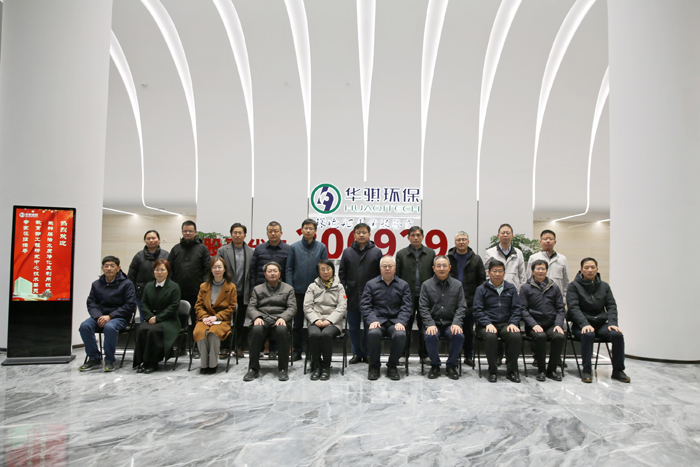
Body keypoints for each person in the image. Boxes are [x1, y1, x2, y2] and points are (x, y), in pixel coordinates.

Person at [567, 257, 630, 384]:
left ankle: (618, 370)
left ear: (597, 269)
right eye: (586, 267)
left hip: (601, 323)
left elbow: (611, 305)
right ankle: (586, 371)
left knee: (617, 335)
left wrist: (612, 323)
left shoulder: (604, 286)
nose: (589, 270)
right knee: (588, 334)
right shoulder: (574, 286)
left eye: (592, 267)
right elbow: (573, 308)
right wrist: (584, 324)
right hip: (581, 324)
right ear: (581, 270)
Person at [78, 256, 136, 372]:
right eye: (106, 266)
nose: (109, 268)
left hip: (119, 317)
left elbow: (129, 305)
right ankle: (94, 358)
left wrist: (110, 316)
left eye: (112, 266)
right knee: (84, 326)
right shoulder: (96, 284)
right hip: (99, 316)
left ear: (118, 268)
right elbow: (91, 303)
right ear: (102, 268)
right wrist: (98, 316)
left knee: (109, 327)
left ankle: (109, 360)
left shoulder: (127, 284)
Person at [361, 256, 412, 381]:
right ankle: (374, 366)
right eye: (384, 266)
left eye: (390, 266)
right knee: (373, 333)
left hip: (395, 321)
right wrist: (372, 320)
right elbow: (365, 305)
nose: (387, 268)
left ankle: (392, 365)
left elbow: (407, 307)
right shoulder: (371, 284)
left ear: (395, 268)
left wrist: (401, 321)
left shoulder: (403, 285)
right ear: (380, 268)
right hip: (377, 320)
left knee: (400, 334)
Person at [244, 262, 297, 382]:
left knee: (282, 330)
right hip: (262, 319)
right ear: (265, 274)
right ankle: (253, 368)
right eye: (269, 271)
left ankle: (283, 368)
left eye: (275, 271)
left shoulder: (288, 289)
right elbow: (251, 307)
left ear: (279, 273)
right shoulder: (257, 289)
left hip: (279, 319)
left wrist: (283, 318)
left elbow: (292, 308)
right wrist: (257, 317)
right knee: (256, 330)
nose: (272, 273)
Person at [339, 222, 383, 364]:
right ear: (354, 235)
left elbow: (380, 274)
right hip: (352, 295)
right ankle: (356, 353)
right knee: (353, 327)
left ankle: (368, 353)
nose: (361, 235)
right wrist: (345, 290)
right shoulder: (347, 252)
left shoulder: (376, 252)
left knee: (370, 326)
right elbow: (342, 274)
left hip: (372, 296)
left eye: (364, 232)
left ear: (369, 235)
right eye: (358, 232)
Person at [473, 260, 522, 383]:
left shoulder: (511, 288)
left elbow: (517, 309)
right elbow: (477, 310)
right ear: (489, 273)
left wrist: (513, 323)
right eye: (494, 271)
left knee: (515, 336)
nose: (497, 274)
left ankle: (512, 371)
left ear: (504, 273)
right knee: (490, 336)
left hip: (506, 324)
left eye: (500, 271)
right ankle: (492, 371)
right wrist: (487, 323)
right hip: (486, 324)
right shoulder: (481, 289)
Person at [286, 219, 328, 361]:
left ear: (315, 231)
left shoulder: (321, 247)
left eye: (311, 228)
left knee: (314, 323)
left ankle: (312, 351)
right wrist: (290, 288)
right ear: (302, 230)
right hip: (297, 291)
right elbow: (289, 268)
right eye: (305, 228)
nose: (308, 230)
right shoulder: (294, 247)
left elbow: (325, 269)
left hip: (316, 292)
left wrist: (322, 287)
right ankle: (297, 351)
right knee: (297, 324)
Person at [419, 256, 467, 380]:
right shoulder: (426, 285)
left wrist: (457, 323)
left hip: (450, 323)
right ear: (433, 268)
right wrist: (430, 324)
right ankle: (435, 365)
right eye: (438, 266)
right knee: (430, 335)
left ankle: (451, 365)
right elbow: (423, 308)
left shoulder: (457, 285)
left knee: (459, 335)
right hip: (433, 322)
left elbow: (462, 307)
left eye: (444, 265)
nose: (442, 268)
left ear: (449, 268)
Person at [519, 259, 566, 382]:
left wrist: (558, 324)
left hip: (551, 324)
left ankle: (552, 370)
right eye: (538, 269)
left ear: (546, 271)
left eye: (543, 269)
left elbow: (560, 309)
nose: (540, 271)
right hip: (533, 325)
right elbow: (523, 309)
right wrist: (533, 324)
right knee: (540, 336)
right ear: (532, 271)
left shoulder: (554, 287)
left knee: (559, 336)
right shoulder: (525, 288)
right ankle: (541, 370)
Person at [132, 259, 181, 373]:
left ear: (168, 272)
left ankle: (152, 362)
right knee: (143, 329)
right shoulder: (149, 286)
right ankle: (142, 361)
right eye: (157, 269)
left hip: (168, 320)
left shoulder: (174, 286)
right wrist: (150, 317)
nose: (159, 272)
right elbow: (144, 303)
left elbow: (174, 306)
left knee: (153, 331)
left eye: (162, 270)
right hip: (151, 318)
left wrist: (158, 318)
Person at [168, 220, 211, 348]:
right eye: (185, 231)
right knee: (179, 321)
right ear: (182, 232)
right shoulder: (176, 249)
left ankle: (196, 348)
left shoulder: (202, 249)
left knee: (198, 320)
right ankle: (180, 348)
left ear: (195, 232)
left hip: (197, 292)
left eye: (190, 231)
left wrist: (203, 287)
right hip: (178, 292)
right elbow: (169, 269)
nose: (187, 233)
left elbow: (207, 269)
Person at [395, 226, 435, 363]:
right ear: (408, 238)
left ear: (422, 237)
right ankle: (403, 354)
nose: (415, 238)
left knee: (425, 325)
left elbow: (434, 276)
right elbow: (397, 277)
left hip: (425, 296)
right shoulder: (401, 254)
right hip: (407, 296)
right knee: (405, 325)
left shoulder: (430, 253)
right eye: (412, 235)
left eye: (418, 235)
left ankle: (424, 355)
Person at [303, 259, 347, 380]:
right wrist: (315, 320)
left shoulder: (339, 287)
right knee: (314, 334)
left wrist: (330, 320)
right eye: (322, 269)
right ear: (318, 272)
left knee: (326, 335)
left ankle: (326, 366)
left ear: (333, 270)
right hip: (315, 320)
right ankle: (316, 365)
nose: (326, 272)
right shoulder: (312, 287)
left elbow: (342, 306)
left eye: (328, 269)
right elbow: (307, 306)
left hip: (333, 323)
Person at [447, 231, 485, 367]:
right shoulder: (449, 258)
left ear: (468, 242)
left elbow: (481, 280)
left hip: (470, 300)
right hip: (452, 301)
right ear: (455, 242)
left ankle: (468, 356)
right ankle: (455, 356)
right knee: (454, 330)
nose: (461, 242)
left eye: (464, 239)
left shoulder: (476, 259)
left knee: (469, 331)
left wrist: (478, 299)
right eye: (459, 240)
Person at [193, 257, 236, 374]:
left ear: (224, 269)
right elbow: (198, 305)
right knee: (200, 332)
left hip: (222, 320)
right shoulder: (204, 286)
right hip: (205, 319)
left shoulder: (231, 287)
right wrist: (204, 317)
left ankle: (212, 364)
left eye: (219, 267)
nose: (217, 270)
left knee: (213, 333)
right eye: (214, 267)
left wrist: (216, 317)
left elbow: (231, 307)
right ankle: (204, 364)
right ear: (211, 270)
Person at [217, 222, 253, 358]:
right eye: (235, 233)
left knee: (239, 322)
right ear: (231, 234)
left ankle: (237, 346)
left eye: (240, 233)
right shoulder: (222, 251)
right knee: (225, 320)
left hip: (243, 293)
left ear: (245, 235)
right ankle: (224, 347)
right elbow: (217, 269)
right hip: (226, 292)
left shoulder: (250, 251)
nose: (237, 235)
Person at [127, 230, 169, 322]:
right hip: (141, 294)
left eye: (153, 238)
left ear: (159, 239)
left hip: (161, 293)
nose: (151, 240)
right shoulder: (139, 256)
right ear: (145, 240)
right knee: (144, 319)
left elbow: (171, 274)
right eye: (148, 238)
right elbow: (131, 275)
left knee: (160, 319)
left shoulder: (166, 255)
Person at [527, 229, 570, 301]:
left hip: (557, 298)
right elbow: (528, 278)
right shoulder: (533, 258)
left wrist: (565, 298)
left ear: (555, 242)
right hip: (537, 297)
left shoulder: (562, 259)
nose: (548, 241)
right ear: (540, 242)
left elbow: (566, 281)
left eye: (550, 239)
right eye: (545, 239)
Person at [483, 223, 527, 292]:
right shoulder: (490, 253)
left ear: (512, 235)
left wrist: (521, 293)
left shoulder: (518, 253)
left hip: (514, 291)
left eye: (508, 233)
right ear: (498, 235)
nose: (505, 235)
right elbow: (487, 273)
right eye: (503, 233)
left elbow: (522, 275)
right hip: (495, 291)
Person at [250, 221, 290, 288]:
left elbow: (289, 271)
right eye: (270, 231)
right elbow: (253, 270)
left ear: (281, 233)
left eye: (276, 231)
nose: (273, 233)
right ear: (267, 233)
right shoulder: (259, 248)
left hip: (281, 288)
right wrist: (252, 288)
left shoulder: (288, 249)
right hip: (261, 287)